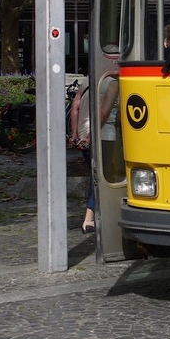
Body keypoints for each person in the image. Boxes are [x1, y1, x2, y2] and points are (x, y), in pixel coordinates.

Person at [67, 79, 95, 233]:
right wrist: (91, 136)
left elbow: (75, 107)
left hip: (82, 136)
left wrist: (74, 133)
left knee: (94, 173)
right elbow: (102, 113)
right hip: (94, 135)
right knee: (98, 177)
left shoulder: (86, 82)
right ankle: (89, 219)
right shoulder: (107, 81)